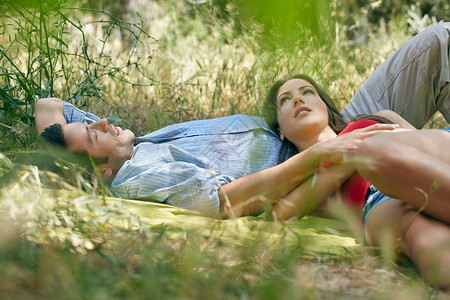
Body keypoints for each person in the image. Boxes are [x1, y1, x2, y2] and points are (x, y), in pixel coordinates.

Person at [36, 22, 449, 220]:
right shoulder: (140, 172)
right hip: (320, 160)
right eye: (93, 133)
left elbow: (47, 104)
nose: (103, 120)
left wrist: (57, 148)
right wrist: (327, 151)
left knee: (439, 42)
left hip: (338, 129)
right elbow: (229, 202)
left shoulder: (127, 145)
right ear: (99, 175)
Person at [263, 73, 450, 288]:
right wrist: (350, 158)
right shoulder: (304, 177)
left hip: (432, 163)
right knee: (426, 240)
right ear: (280, 130)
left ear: (325, 106)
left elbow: (428, 144)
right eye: (285, 100)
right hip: (380, 202)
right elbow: (278, 215)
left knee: (377, 151)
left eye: (307, 92)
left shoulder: (380, 117)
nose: (298, 99)